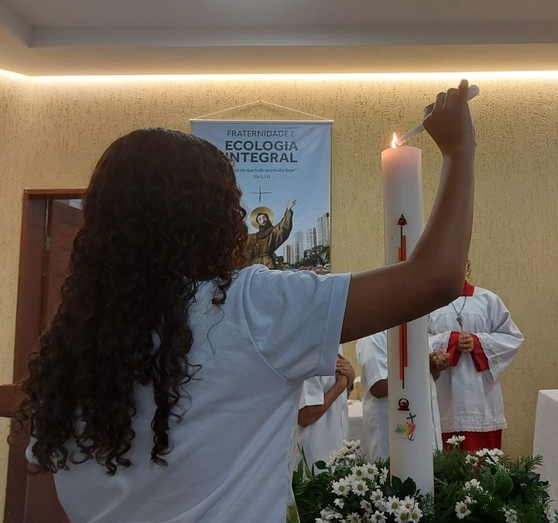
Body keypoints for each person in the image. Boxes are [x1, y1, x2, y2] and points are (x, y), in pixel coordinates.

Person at [11, 79, 476, 523]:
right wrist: (459, 151)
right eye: (231, 204)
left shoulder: (74, 344)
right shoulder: (250, 306)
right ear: (212, 220)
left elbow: (47, 489)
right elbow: (434, 278)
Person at [428, 262, 523, 452]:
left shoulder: (488, 300)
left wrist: (478, 342)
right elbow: (416, 341)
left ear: (467, 267)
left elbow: (512, 338)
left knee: (481, 460)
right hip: (443, 391)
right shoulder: (429, 303)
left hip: (481, 395)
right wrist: (450, 341)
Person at [355, 332, 449, 463]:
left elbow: (427, 377)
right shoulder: (374, 336)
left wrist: (435, 366)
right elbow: (378, 387)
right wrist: (421, 365)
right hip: (392, 428)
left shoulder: (416, 330)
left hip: (425, 423)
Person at [291, 351, 354, 472]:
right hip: (315, 456)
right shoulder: (308, 351)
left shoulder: (337, 347)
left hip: (339, 450)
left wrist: (349, 380)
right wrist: (341, 385)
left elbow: (337, 401)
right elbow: (305, 416)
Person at [245, 199, 296, 268]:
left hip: (268, 264)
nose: (263, 220)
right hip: (254, 265)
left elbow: (283, 227)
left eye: (264, 217)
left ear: (267, 218)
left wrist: (288, 210)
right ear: (258, 222)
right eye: (260, 219)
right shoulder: (253, 237)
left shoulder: (273, 232)